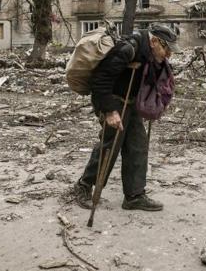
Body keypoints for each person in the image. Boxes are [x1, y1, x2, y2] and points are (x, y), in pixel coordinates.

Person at [73, 23, 180, 211]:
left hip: (131, 101)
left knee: (138, 145)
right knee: (110, 146)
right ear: (155, 41)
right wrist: (109, 111)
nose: (168, 55)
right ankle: (84, 186)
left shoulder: (151, 53)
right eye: (167, 50)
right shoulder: (128, 48)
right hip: (113, 101)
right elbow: (100, 80)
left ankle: (134, 195)